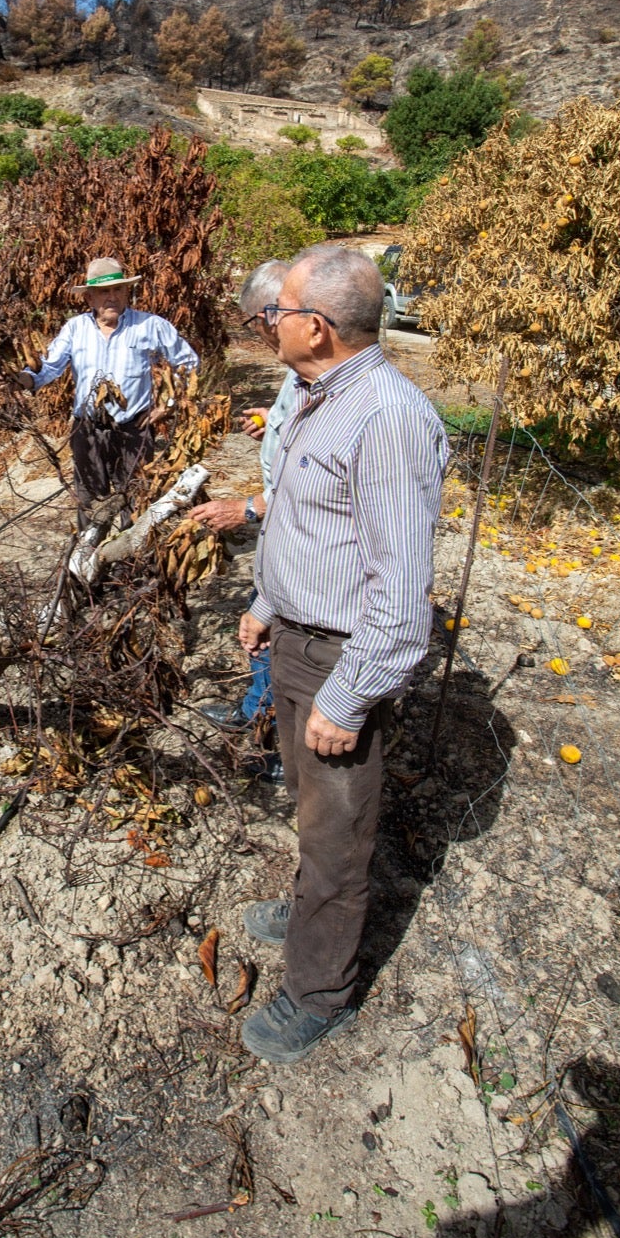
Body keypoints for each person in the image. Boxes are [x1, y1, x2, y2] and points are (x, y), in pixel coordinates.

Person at [236, 243, 449, 1066]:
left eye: (279, 312)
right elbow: (300, 518)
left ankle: (320, 989)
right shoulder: (317, 393)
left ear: (316, 327)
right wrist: (264, 604)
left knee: (338, 830)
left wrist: (347, 697)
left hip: (339, 657)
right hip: (296, 638)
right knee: (309, 800)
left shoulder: (386, 418)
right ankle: (311, 905)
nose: (269, 324)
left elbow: (400, 601)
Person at [190, 261, 297, 739]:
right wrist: (272, 423)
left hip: (301, 541)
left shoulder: (330, 383)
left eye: (257, 324)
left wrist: (247, 508)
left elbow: (314, 487)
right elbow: (300, 442)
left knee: (277, 636)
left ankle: (271, 739)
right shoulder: (300, 375)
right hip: (285, 536)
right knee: (267, 630)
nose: (259, 337)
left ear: (278, 313)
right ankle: (259, 715)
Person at [18, 256, 199, 522]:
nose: (112, 297)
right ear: (90, 298)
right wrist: (24, 379)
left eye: (118, 290)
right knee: (89, 503)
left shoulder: (151, 326)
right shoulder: (75, 328)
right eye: (104, 292)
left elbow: (188, 363)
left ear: (127, 292)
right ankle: (87, 559)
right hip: (87, 430)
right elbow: (49, 367)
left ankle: (131, 562)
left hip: (133, 429)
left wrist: (168, 405)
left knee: (135, 501)